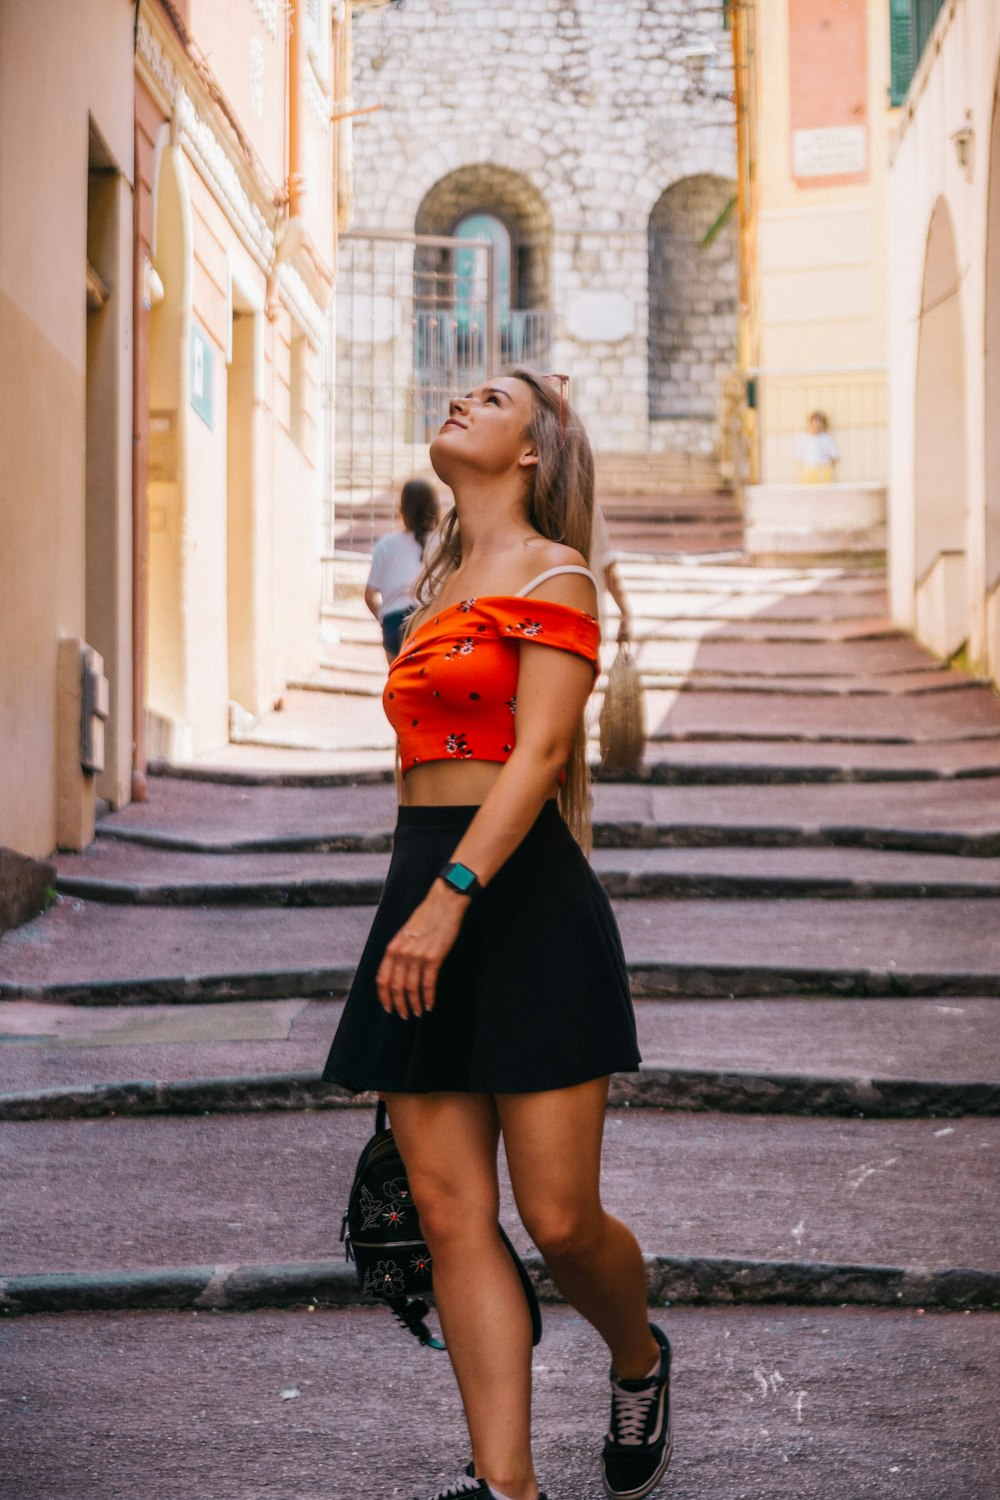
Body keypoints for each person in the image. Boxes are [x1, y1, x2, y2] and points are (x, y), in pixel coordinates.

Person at [323, 369, 671, 1500]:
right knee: (445, 1209)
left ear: (535, 450)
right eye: (459, 393)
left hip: (515, 900)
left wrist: (452, 895)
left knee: (560, 1221)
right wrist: (413, 899)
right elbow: (416, 769)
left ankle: (639, 1356)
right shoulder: (430, 591)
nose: (461, 403)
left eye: (494, 399)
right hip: (422, 882)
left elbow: (537, 758)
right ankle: (506, 1486)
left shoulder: (553, 573)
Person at [366, 477, 440, 661]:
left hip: (394, 622)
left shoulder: (385, 544)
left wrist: (384, 619)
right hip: (430, 620)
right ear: (434, 508)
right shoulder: (444, 543)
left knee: (397, 683)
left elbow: (369, 595)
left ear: (402, 510)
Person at [794, 409, 840, 483]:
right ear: (810, 423)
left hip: (824, 472)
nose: (817, 425)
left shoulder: (827, 438)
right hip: (808, 472)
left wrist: (826, 468)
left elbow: (835, 457)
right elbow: (798, 457)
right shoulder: (803, 439)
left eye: (819, 422)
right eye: (815, 422)